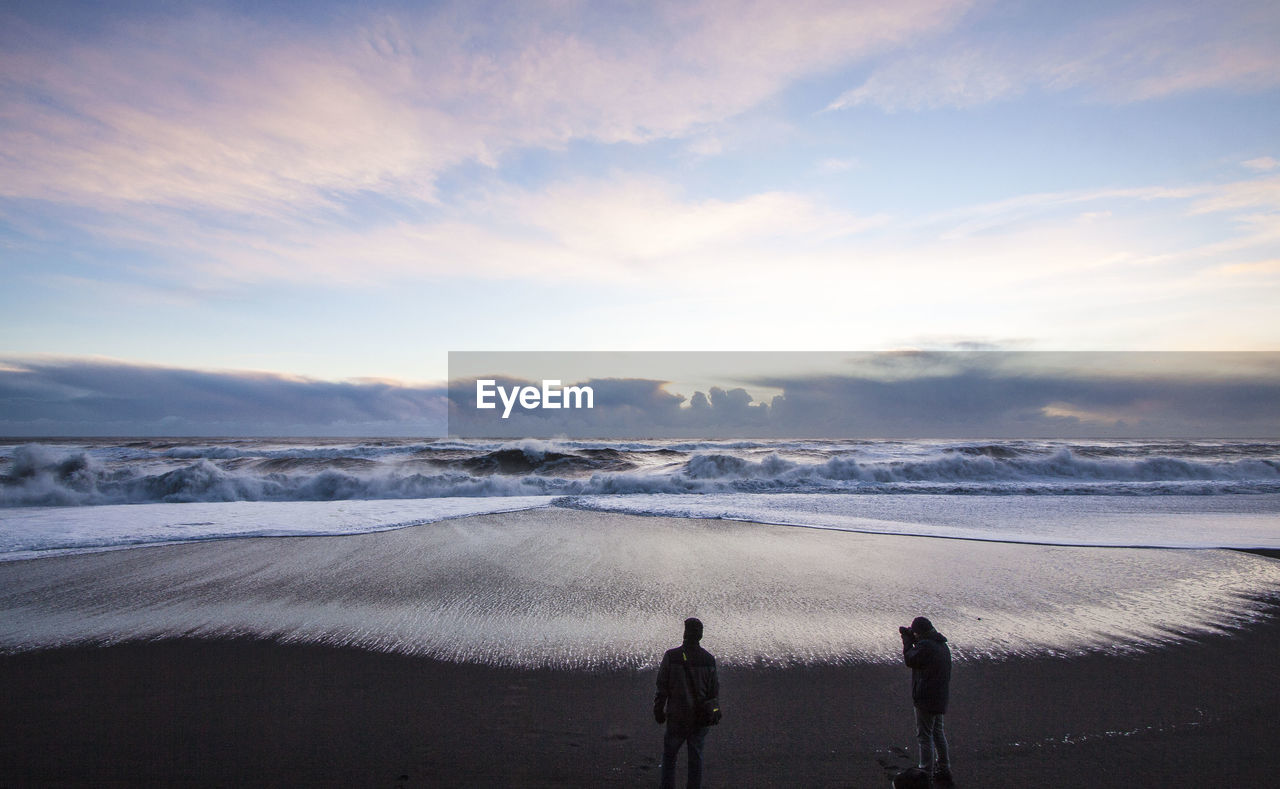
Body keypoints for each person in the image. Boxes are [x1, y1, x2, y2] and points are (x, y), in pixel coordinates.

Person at [654, 617, 719, 789]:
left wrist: (658, 709)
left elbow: (662, 686)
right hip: (699, 718)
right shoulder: (709, 660)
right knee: (695, 758)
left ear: (685, 633)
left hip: (677, 716)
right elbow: (713, 692)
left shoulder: (671, 656)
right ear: (701, 636)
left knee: (669, 757)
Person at [901, 616, 952, 784]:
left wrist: (907, 641)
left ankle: (925, 772)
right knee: (937, 732)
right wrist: (913, 639)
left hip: (926, 698)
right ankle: (944, 767)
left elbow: (910, 659)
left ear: (920, 633)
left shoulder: (926, 647)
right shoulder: (941, 645)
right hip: (939, 697)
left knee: (924, 736)